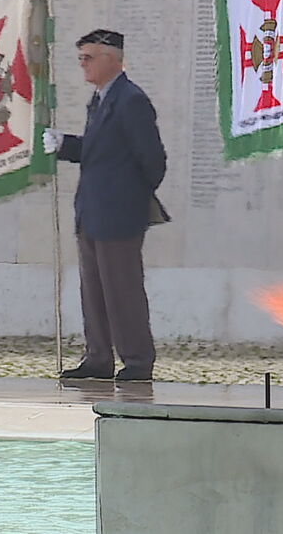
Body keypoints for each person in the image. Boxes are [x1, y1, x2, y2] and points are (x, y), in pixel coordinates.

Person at [43, 29, 167, 382]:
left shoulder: (131, 100)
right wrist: (65, 145)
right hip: (92, 211)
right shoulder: (100, 100)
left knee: (122, 290)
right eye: (80, 58)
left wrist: (129, 197)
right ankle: (98, 357)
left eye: (89, 57)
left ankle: (137, 360)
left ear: (112, 59)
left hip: (118, 213)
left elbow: (153, 160)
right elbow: (100, 151)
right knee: (94, 291)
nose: (83, 64)